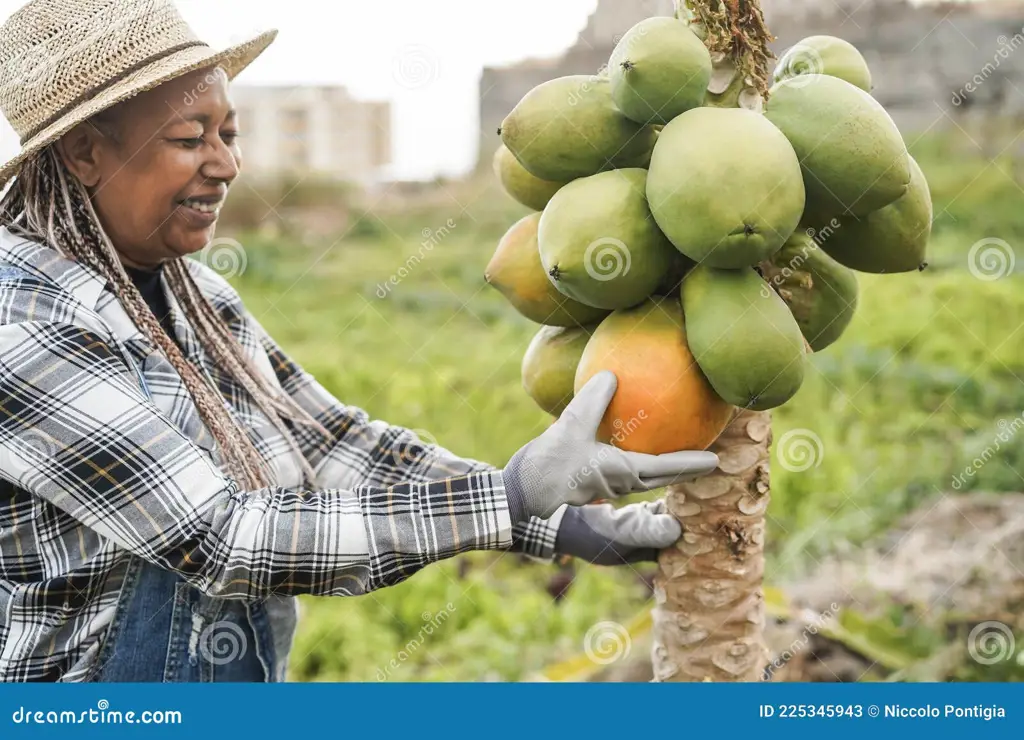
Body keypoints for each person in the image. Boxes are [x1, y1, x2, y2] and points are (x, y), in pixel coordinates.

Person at [0, 0, 719, 683]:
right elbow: (220, 537)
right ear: (85, 155)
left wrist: (554, 521)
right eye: (190, 139)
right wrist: (511, 495)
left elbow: (334, 443)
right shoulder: (24, 326)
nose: (225, 165)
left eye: (229, 133)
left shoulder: (194, 291)